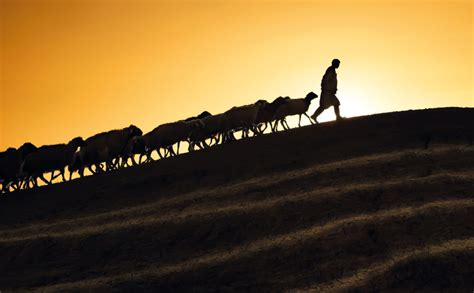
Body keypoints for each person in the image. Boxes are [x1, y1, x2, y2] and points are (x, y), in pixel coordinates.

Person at [311, 59, 343, 123]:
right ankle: (338, 117)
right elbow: (325, 80)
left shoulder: (332, 71)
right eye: (338, 63)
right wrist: (327, 88)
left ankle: (338, 117)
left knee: (334, 103)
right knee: (325, 105)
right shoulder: (330, 71)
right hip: (327, 92)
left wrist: (334, 89)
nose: (338, 65)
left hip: (329, 91)